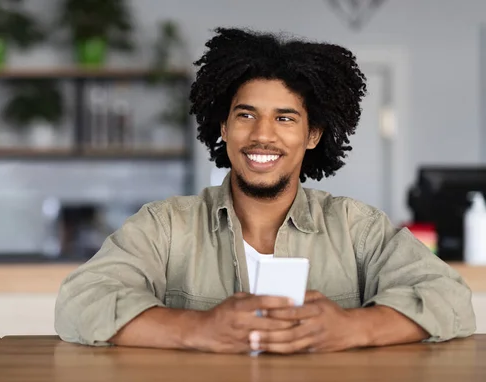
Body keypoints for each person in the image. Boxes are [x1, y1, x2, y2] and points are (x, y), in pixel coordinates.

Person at [54, 27, 476, 354]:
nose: (262, 136)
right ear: (223, 127)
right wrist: (197, 329)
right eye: (246, 115)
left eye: (285, 119)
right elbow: (80, 302)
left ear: (312, 135)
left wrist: (355, 327)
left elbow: (450, 299)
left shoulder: (356, 227)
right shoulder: (165, 224)